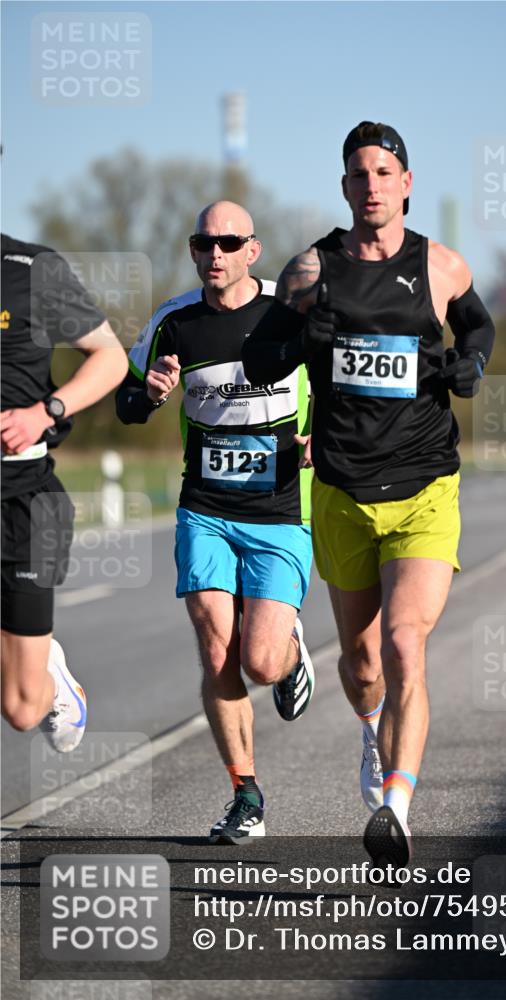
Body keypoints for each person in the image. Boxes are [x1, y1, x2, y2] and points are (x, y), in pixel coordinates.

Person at [242, 122, 495, 866]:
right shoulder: (308, 270)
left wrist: (469, 367)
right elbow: (260, 361)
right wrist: (301, 340)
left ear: (406, 182)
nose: (371, 185)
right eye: (358, 174)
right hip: (343, 490)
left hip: (423, 485)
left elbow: (477, 328)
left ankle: (396, 803)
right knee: (361, 665)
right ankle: (369, 726)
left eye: (384, 172)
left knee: (403, 642)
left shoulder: (442, 266)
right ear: (344, 186)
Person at [116, 201, 314, 844]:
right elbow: (123, 401)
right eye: (205, 243)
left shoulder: (288, 317)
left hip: (281, 508)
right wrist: (147, 393)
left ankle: (288, 656)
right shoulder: (174, 321)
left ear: (252, 250)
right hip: (205, 506)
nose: (216, 254)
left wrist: (328, 438)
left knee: (258, 661)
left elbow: (342, 388)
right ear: (194, 250)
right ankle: (245, 793)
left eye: (229, 242)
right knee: (214, 643)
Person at [1, 233, 128, 752]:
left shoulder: (32, 268)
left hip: (24, 501)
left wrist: (43, 413)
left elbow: (111, 357)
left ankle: (50, 676)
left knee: (21, 708)